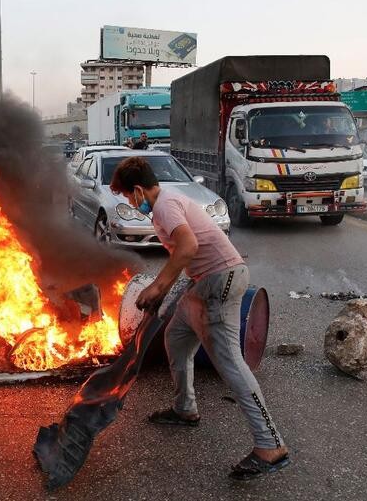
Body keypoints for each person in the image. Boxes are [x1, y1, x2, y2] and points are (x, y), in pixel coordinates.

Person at [109, 157, 290, 481]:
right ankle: (185, 408)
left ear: (137, 190)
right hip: (205, 282)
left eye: (127, 197)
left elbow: (188, 246)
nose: (129, 204)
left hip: (221, 280)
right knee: (176, 339)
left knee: (230, 363)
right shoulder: (170, 201)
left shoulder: (164, 205)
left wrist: (158, 285)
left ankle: (270, 445)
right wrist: (169, 292)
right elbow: (189, 252)